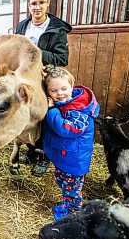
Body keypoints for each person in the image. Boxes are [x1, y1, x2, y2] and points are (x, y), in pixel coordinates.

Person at [15, 0, 72, 177]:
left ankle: (44, 157)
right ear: (28, 5)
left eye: (41, 3)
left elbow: (62, 59)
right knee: (29, 116)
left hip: (46, 80)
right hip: (25, 78)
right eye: (33, 3)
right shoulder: (22, 26)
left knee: (46, 117)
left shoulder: (57, 29)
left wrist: (37, 53)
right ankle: (31, 152)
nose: (36, 7)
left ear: (48, 4)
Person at [41, 65, 99, 220]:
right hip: (65, 156)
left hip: (74, 160)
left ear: (72, 86)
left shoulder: (79, 110)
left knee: (72, 191)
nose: (60, 94)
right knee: (63, 183)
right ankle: (67, 206)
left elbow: (67, 129)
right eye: (54, 91)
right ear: (48, 92)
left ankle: (73, 216)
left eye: (64, 88)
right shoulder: (64, 105)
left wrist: (52, 111)